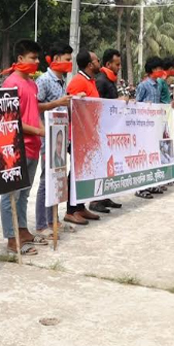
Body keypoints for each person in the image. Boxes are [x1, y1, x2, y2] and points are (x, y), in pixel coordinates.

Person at [0, 39, 47, 255]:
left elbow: (34, 113)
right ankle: (12, 239)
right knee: (11, 195)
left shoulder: (32, 83)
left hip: (32, 147)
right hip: (14, 146)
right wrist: (38, 131)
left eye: (38, 58)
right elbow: (9, 120)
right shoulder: (11, 83)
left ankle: (22, 230)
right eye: (32, 58)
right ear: (20, 59)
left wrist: (41, 130)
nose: (36, 62)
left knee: (24, 193)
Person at [35, 44, 74, 236]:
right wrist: (57, 103)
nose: (70, 63)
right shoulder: (44, 80)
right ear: (56, 59)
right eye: (67, 59)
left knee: (57, 179)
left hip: (60, 136)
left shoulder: (61, 81)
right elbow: (36, 107)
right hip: (46, 138)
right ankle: (42, 224)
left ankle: (54, 220)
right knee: (45, 181)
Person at [64, 49, 102, 225]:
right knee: (76, 173)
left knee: (84, 172)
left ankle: (80, 206)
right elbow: (71, 109)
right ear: (89, 64)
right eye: (96, 60)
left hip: (89, 136)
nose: (99, 62)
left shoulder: (90, 81)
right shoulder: (78, 82)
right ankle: (71, 210)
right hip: (78, 136)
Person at [89, 49, 124, 213]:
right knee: (100, 165)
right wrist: (117, 101)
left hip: (110, 130)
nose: (119, 67)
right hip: (101, 130)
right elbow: (98, 104)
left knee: (109, 165)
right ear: (108, 64)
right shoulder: (101, 81)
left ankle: (105, 196)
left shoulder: (110, 80)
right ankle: (95, 200)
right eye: (116, 64)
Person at [134, 56, 165, 199]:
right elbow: (137, 103)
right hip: (144, 126)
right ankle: (141, 187)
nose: (161, 71)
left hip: (155, 126)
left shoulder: (158, 85)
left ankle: (151, 183)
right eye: (159, 69)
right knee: (143, 156)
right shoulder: (143, 85)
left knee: (153, 155)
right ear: (152, 70)